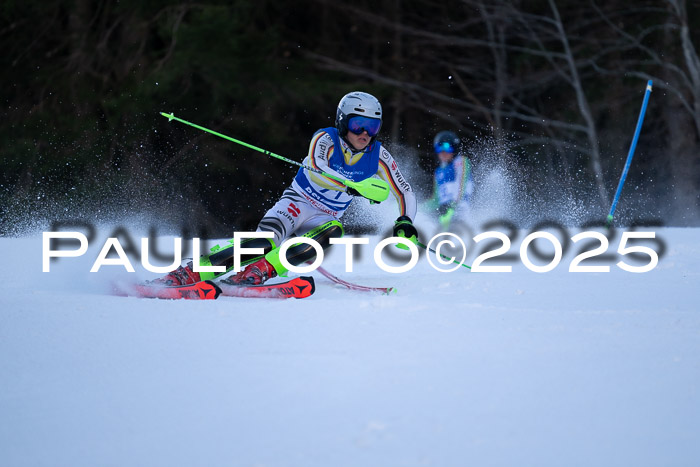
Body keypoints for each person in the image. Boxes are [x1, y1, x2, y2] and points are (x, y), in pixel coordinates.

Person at [155, 91, 418, 286]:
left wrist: (405, 221)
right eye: (357, 124)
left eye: (372, 127)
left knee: (334, 231)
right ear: (342, 122)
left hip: (324, 217)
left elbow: (404, 191)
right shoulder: (324, 139)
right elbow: (319, 170)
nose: (365, 134)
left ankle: (260, 271)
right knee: (263, 242)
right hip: (298, 202)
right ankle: (190, 272)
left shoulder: (379, 156)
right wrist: (354, 188)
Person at [427, 130, 474, 230]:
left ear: (454, 149)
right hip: (444, 215)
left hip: (460, 212)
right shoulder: (438, 172)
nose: (443, 152)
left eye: (447, 148)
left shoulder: (460, 162)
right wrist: (414, 208)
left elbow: (462, 183)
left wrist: (452, 205)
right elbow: (435, 200)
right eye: (439, 148)